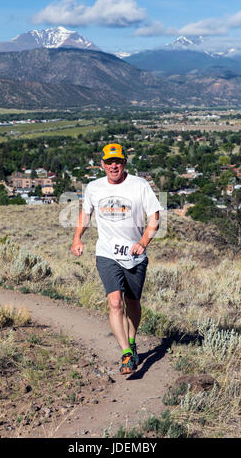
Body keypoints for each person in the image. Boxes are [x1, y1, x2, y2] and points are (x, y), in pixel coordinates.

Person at [71, 143, 161, 374]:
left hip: (135, 254)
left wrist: (142, 243)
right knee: (115, 302)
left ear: (124, 164)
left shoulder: (139, 186)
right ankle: (126, 354)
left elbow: (155, 218)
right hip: (107, 253)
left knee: (133, 303)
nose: (113, 166)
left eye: (118, 162)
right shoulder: (94, 187)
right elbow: (86, 214)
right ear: (102, 164)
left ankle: (131, 340)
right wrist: (77, 238)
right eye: (109, 162)